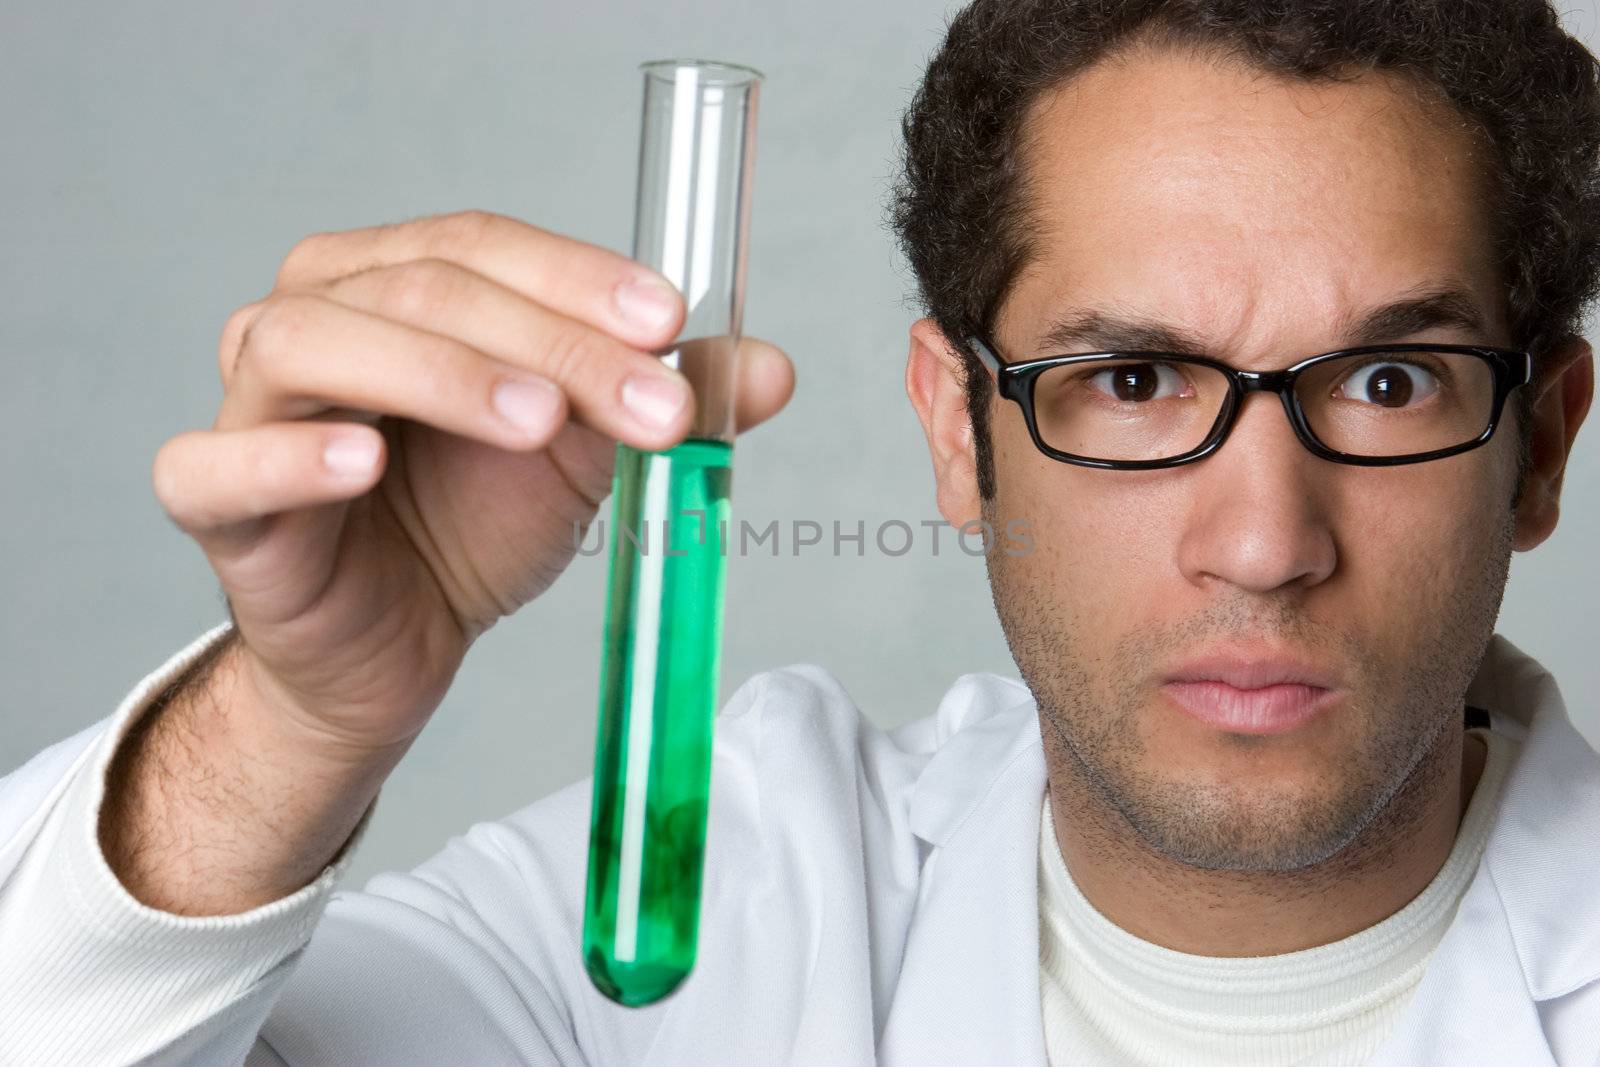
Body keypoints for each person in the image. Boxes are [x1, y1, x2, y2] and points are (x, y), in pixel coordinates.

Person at [3, 0, 1598, 1062]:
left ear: (1541, 450)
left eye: (1393, 380)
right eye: (1129, 378)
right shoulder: (705, 912)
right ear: (953, 430)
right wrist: (291, 729)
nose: (1262, 542)